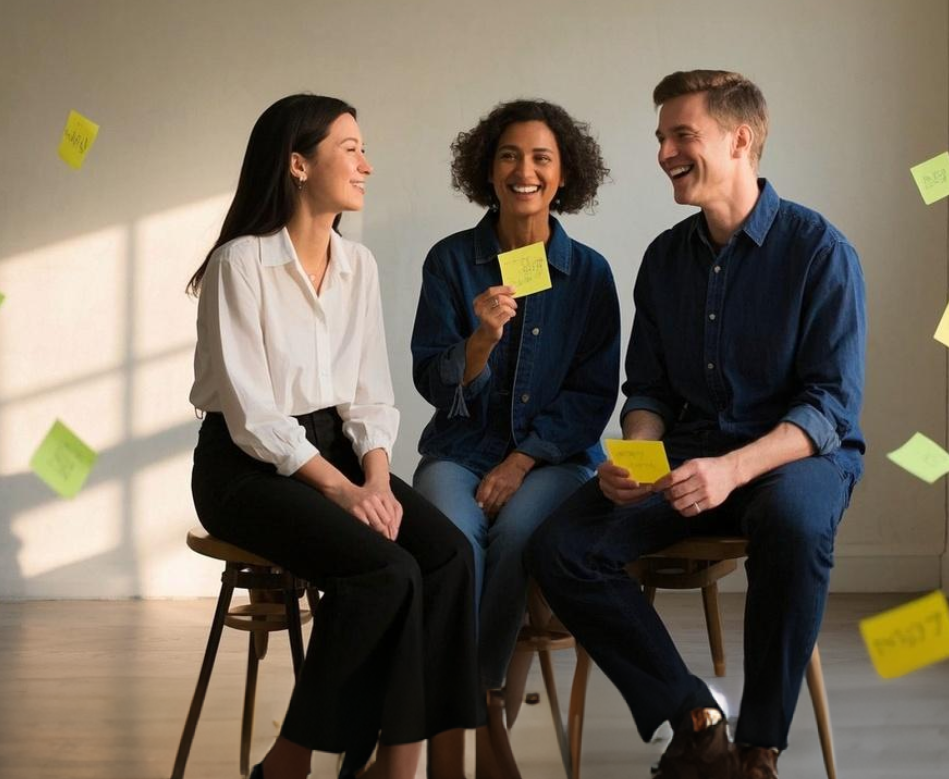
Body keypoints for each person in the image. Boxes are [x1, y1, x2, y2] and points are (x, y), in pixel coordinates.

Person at [526, 71, 867, 779]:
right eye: (661, 138)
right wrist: (637, 455)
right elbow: (646, 389)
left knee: (795, 524)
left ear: (740, 140)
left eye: (682, 135)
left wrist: (733, 469)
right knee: (560, 545)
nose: (664, 153)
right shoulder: (664, 258)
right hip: (687, 450)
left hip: (796, 458)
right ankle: (695, 716)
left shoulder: (820, 251)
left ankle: (758, 750)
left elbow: (830, 406)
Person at [188, 93, 481, 779]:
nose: (366, 165)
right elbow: (255, 417)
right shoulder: (240, 265)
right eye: (350, 149)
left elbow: (369, 395)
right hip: (244, 467)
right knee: (384, 571)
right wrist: (345, 492)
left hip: (342, 456)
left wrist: (375, 479)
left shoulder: (359, 266)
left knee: (448, 558)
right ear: (297, 164)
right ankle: (288, 764)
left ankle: (394, 764)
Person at [410, 100, 620, 777]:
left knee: (519, 537)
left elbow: (592, 397)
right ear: (487, 169)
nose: (523, 170)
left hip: (554, 460)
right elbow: (429, 378)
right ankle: (474, 703)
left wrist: (522, 460)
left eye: (540, 158)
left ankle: (475, 691)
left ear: (564, 177)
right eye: (508, 155)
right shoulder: (451, 262)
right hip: (459, 448)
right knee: (448, 538)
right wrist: (480, 343)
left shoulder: (589, 275)